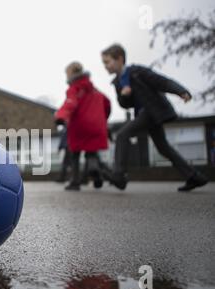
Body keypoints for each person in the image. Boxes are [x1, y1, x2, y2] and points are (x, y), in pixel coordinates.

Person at [101, 44, 208, 192]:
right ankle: (194, 176)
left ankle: (119, 175)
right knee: (163, 147)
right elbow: (124, 104)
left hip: (152, 111)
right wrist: (124, 95)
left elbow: (161, 81)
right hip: (144, 114)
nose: (105, 66)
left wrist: (180, 91)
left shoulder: (137, 71)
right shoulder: (118, 82)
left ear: (119, 59)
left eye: (107, 62)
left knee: (122, 135)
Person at [55, 62, 111, 191]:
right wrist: (103, 118)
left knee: (74, 154)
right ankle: (94, 170)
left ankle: (75, 181)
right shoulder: (94, 89)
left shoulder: (74, 89)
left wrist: (60, 116)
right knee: (91, 152)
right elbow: (107, 103)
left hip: (79, 126)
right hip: (96, 126)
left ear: (71, 74)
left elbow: (70, 103)